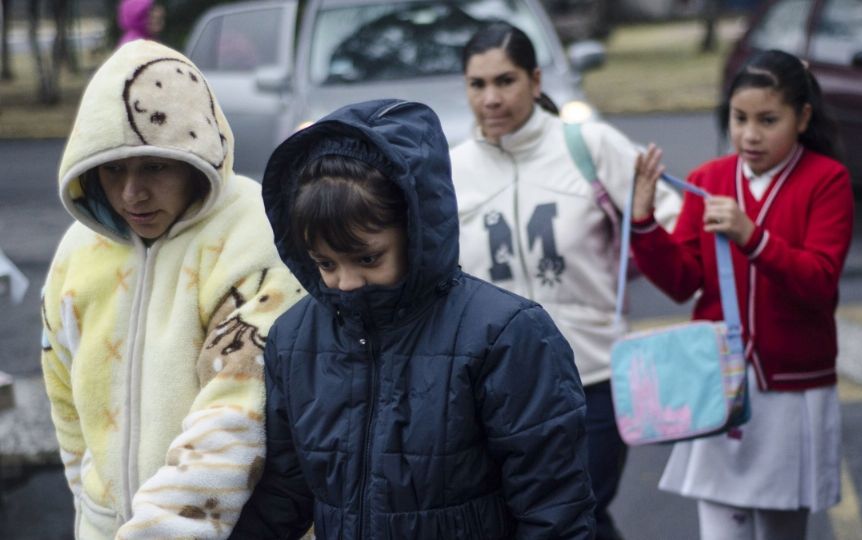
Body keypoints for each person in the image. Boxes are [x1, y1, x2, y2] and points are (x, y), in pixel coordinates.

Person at [229, 98, 596, 539]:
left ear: (418, 226)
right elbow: (283, 495)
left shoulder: (507, 335)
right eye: (325, 264)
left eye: (367, 257)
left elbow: (553, 512)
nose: (345, 282)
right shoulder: (293, 338)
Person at [39, 40, 303, 539]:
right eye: (113, 168)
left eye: (154, 166)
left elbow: (237, 413)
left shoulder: (252, 236)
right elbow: (64, 398)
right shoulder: (77, 251)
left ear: (195, 155)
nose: (130, 193)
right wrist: (91, 512)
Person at [450, 22, 680, 540]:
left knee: (581, 516)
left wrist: (643, 222)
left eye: (505, 81)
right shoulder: (452, 169)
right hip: (494, 389)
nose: (491, 98)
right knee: (515, 521)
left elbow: (673, 218)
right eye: (477, 84)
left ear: (535, 80)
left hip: (592, 379)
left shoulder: (588, 145)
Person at [630, 49, 854, 540]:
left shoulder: (827, 180)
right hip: (719, 386)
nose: (750, 134)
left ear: (803, 118)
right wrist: (644, 224)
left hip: (791, 388)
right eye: (739, 118)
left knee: (780, 532)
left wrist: (752, 237)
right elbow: (683, 281)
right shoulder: (709, 180)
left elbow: (819, 281)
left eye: (768, 120)